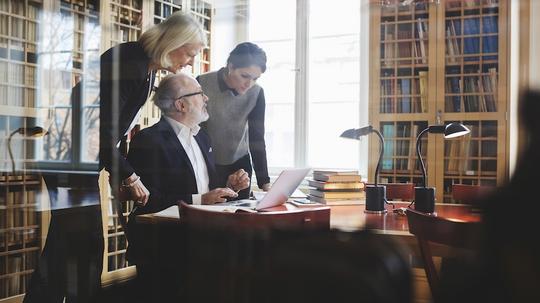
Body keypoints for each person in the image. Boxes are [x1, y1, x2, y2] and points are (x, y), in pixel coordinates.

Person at [125, 73, 250, 301]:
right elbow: (149, 201)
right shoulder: (148, 140)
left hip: (203, 239)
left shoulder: (203, 137)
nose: (206, 99)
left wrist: (228, 186)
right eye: (200, 94)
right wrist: (201, 200)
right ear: (180, 104)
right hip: (164, 245)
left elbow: (204, 188)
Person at [100, 11, 206, 206]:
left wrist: (119, 169)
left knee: (73, 233)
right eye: (190, 54)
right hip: (72, 158)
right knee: (83, 233)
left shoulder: (148, 70)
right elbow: (101, 131)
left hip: (84, 158)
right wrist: (129, 175)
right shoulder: (131, 62)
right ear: (173, 43)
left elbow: (117, 129)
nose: (191, 62)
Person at [197, 42, 270, 199]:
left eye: (255, 79)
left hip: (240, 166)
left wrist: (265, 183)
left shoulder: (257, 93)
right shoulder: (202, 83)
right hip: (207, 163)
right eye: (245, 76)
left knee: (239, 217)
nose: (249, 84)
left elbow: (257, 138)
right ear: (230, 66)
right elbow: (194, 131)